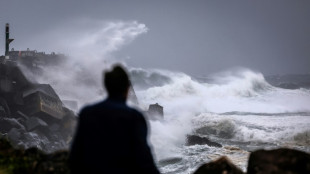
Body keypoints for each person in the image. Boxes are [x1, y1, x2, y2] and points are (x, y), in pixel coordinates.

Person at [68, 65, 160, 174]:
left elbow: (75, 155)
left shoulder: (87, 113)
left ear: (106, 87)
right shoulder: (134, 116)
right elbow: (144, 160)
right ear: (127, 89)